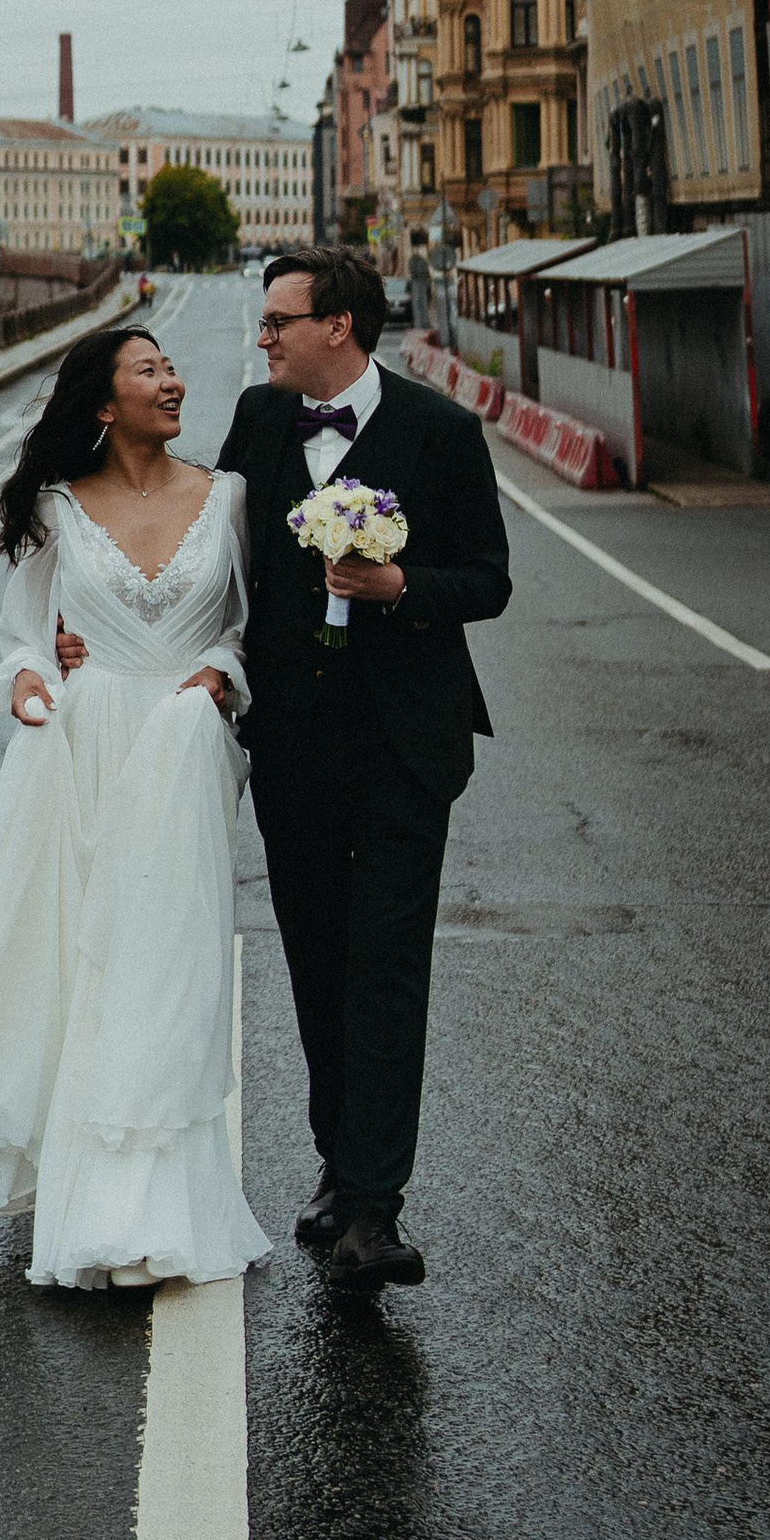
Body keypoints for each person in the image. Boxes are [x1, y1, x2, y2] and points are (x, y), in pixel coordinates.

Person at [0, 321, 269, 1293]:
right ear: (103, 402)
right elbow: (19, 643)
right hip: (82, 752)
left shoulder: (231, 499)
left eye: (172, 368)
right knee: (84, 961)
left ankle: (158, 1198)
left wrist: (216, 679)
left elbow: (249, 630)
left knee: (165, 967)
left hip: (183, 749)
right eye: (149, 371)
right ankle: (86, 1189)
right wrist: (29, 688)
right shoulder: (53, 510)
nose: (173, 381)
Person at [213, 242, 511, 1292]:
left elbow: (487, 579)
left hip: (403, 745)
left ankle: (374, 1212)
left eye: (277, 320)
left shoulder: (440, 430)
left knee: (385, 962)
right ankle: (339, 1169)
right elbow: (215, 559)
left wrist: (399, 585)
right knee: (317, 962)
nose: (262, 337)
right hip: (291, 742)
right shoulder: (256, 422)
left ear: (335, 326)